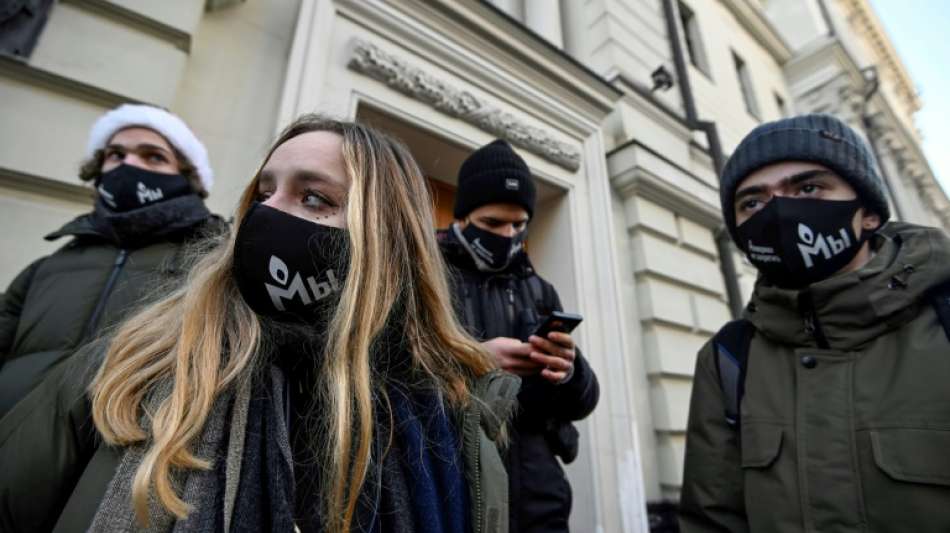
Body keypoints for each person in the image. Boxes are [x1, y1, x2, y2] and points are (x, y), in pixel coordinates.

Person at [0, 115, 518, 533]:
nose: (267, 213)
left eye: (313, 197)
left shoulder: (455, 420)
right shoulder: (131, 363)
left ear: (387, 239)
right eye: (262, 194)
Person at [680, 114, 950, 532]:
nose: (781, 211)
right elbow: (712, 519)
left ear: (868, 214)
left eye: (809, 188)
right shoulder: (728, 358)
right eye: (753, 202)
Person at [0, 104, 223, 416]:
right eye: (116, 155)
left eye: (153, 156)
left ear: (187, 176)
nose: (128, 165)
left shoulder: (212, 266)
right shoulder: (46, 269)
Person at [438, 139, 600, 532]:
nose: (508, 234)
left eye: (518, 225)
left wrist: (568, 370)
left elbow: (584, 401)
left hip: (537, 498)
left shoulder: (540, 290)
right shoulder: (424, 273)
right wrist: (474, 360)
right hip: (452, 486)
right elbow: (382, 371)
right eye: (493, 223)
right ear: (462, 217)